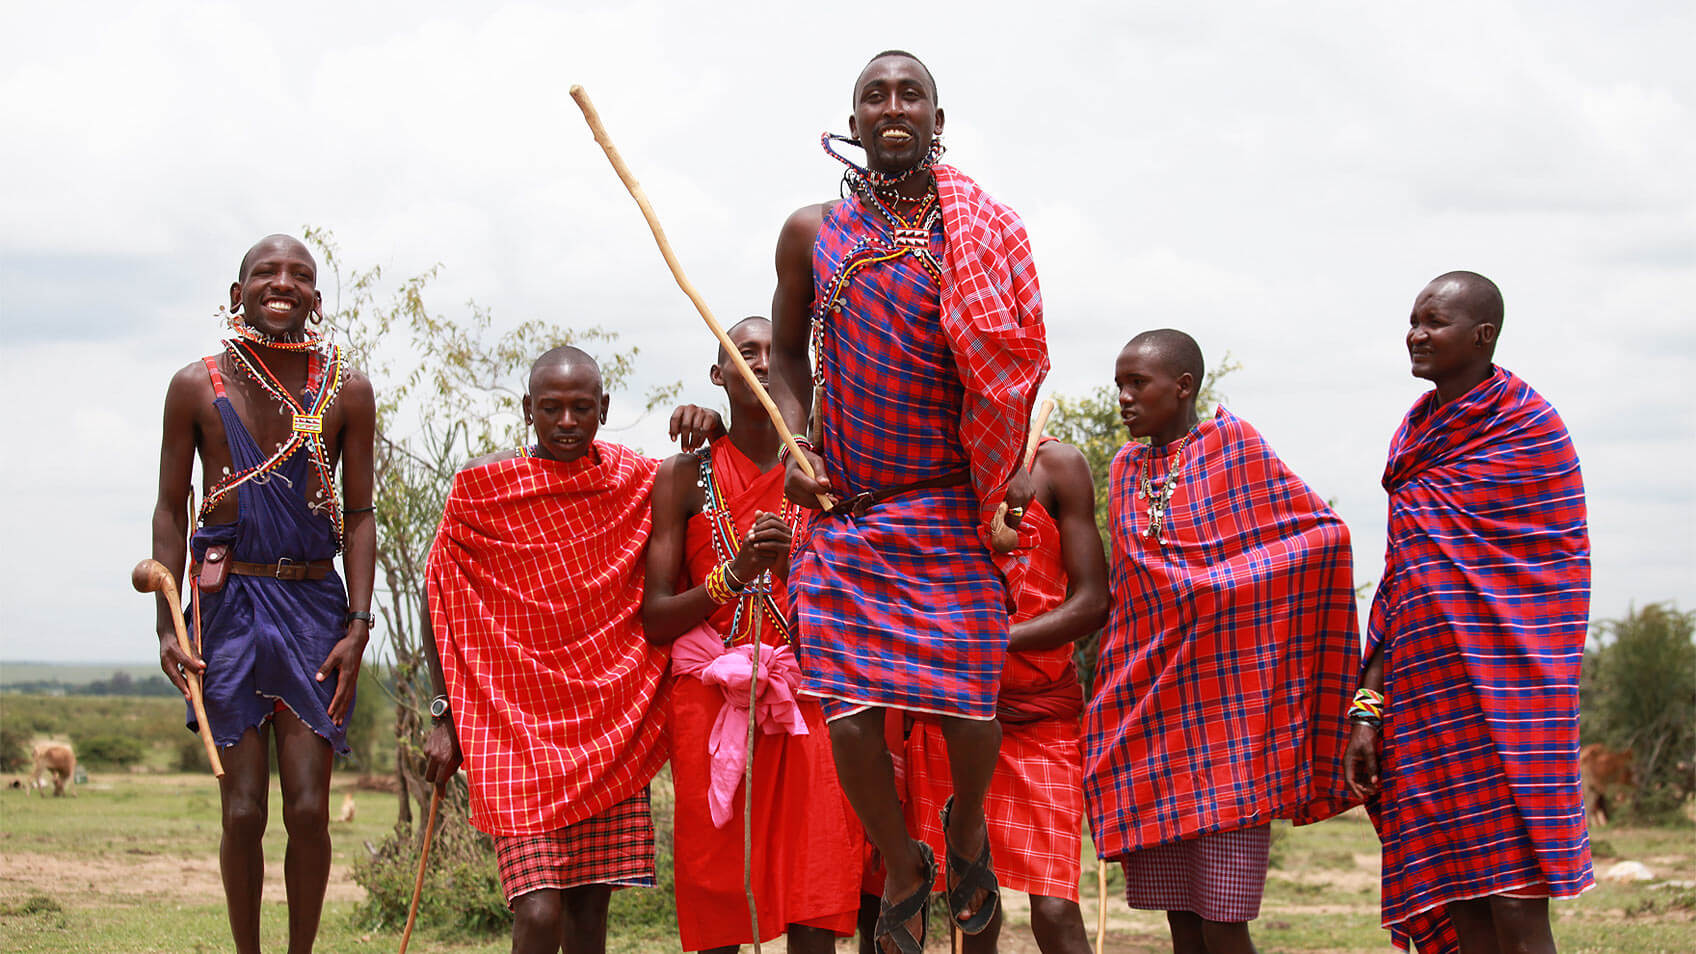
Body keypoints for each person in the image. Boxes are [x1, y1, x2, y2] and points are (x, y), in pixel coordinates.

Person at [768, 49, 1049, 954]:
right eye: (873, 96)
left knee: (972, 706)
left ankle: (964, 831)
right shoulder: (811, 231)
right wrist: (794, 440)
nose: (893, 107)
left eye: (910, 95)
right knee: (846, 712)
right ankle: (902, 862)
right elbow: (782, 356)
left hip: (945, 506)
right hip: (848, 513)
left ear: (937, 118)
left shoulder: (983, 230)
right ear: (852, 122)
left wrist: (1004, 471)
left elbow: (1010, 368)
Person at [1084, 330, 1359, 954]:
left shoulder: (1237, 448)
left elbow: (1324, 537)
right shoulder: (1125, 468)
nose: (1124, 398)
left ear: (1183, 387)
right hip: (1150, 714)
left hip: (1230, 722)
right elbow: (1134, 592)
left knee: (1224, 920)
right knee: (1179, 917)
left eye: (1138, 384)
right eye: (1119, 385)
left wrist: (1222, 584)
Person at [1346, 272, 1592, 954]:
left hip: (1516, 701)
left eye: (1434, 322)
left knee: (1517, 907)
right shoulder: (1417, 434)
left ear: (1483, 336)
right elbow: (1404, 582)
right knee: (1459, 905)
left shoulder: (1528, 429)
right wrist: (1370, 707)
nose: (1416, 333)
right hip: (1428, 704)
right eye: (1414, 320)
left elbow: (1550, 576)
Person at [149, 233, 376, 954]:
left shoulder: (347, 388)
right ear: (236, 290)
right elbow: (168, 506)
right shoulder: (196, 385)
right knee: (243, 812)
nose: (282, 283)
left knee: (309, 811)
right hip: (227, 610)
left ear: (316, 297)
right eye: (265, 272)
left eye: (300, 275)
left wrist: (359, 625)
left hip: (314, 610)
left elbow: (362, 512)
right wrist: (168, 627)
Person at [423, 347, 679, 954]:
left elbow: (709, 475)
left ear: (605, 409)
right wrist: (444, 715)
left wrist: (711, 424)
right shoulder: (485, 491)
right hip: (510, 730)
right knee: (538, 915)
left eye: (582, 408)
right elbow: (441, 597)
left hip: (606, 725)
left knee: (589, 916)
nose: (567, 421)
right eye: (552, 408)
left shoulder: (634, 481)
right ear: (527, 410)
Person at [642, 316, 866, 953]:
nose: (762, 364)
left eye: (775, 353)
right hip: (708, 701)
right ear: (719, 377)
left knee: (813, 883)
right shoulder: (684, 477)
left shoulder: (831, 476)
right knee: (717, 886)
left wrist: (791, 569)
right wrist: (732, 577)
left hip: (809, 697)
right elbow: (657, 618)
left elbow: (857, 595)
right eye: (745, 354)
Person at [903, 432, 1108, 954]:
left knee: (1057, 907)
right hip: (951, 712)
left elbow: (1091, 602)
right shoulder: (928, 457)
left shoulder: (1056, 463)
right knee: (972, 909)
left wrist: (992, 640)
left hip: (1040, 717)